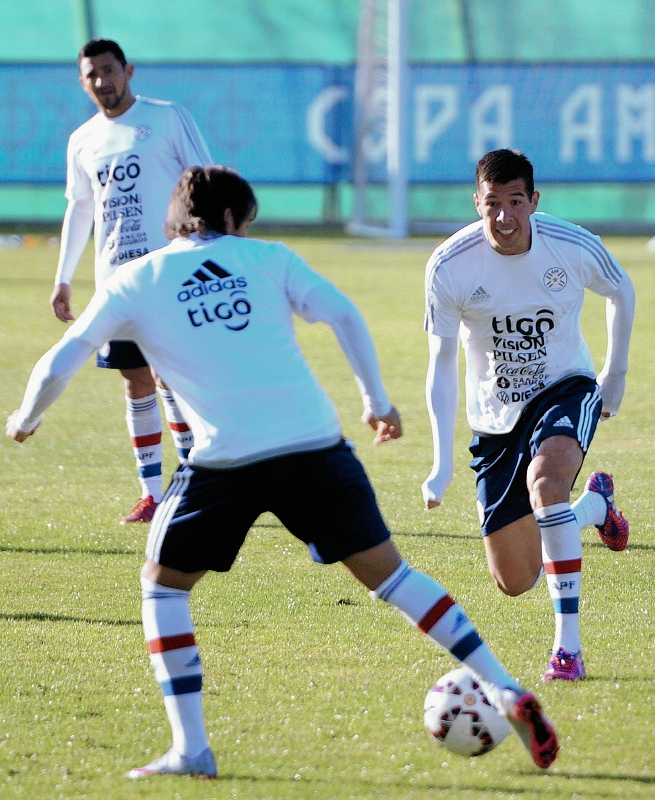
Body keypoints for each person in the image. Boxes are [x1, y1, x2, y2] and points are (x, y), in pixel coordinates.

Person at [7, 166, 558, 777]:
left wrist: (26, 416)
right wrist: (375, 400)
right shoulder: (269, 257)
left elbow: (64, 358)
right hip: (314, 443)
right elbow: (345, 313)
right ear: (233, 220)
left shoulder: (137, 278)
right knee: (393, 578)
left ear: (178, 217)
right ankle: (505, 687)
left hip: (224, 459)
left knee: (163, 587)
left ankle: (191, 748)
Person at [422, 149, 636, 682]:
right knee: (515, 580)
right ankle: (594, 509)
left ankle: (568, 649)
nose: (504, 217)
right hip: (494, 419)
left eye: (515, 202)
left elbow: (621, 290)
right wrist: (440, 463)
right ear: (477, 202)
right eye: (492, 203)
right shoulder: (450, 265)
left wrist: (614, 376)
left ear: (533, 202)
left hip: (565, 387)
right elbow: (442, 366)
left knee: (546, 486)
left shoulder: (571, 245)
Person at [53, 38, 212, 523]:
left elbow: (204, 177)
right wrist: (63, 277)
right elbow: (80, 207)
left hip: (171, 271)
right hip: (117, 281)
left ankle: (191, 482)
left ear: (129, 70)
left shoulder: (166, 118)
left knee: (172, 375)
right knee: (135, 379)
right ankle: (151, 494)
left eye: (109, 69)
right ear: (82, 82)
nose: (102, 81)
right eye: (92, 74)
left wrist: (212, 242)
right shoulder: (82, 140)